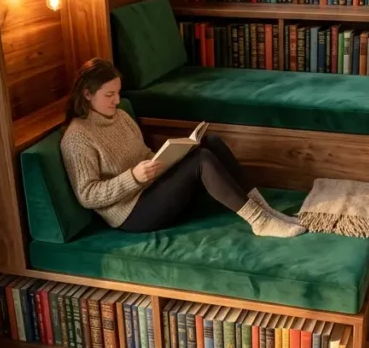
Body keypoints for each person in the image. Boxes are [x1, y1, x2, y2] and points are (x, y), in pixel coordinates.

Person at [60, 59, 304, 237]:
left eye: (118, 93)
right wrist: (132, 178)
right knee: (202, 161)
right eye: (109, 95)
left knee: (211, 142)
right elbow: (88, 196)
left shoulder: (120, 117)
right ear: (87, 94)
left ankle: (265, 210)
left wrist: (169, 156)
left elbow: (142, 154)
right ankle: (259, 221)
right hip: (131, 213)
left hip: (149, 187)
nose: (116, 100)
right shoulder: (77, 137)